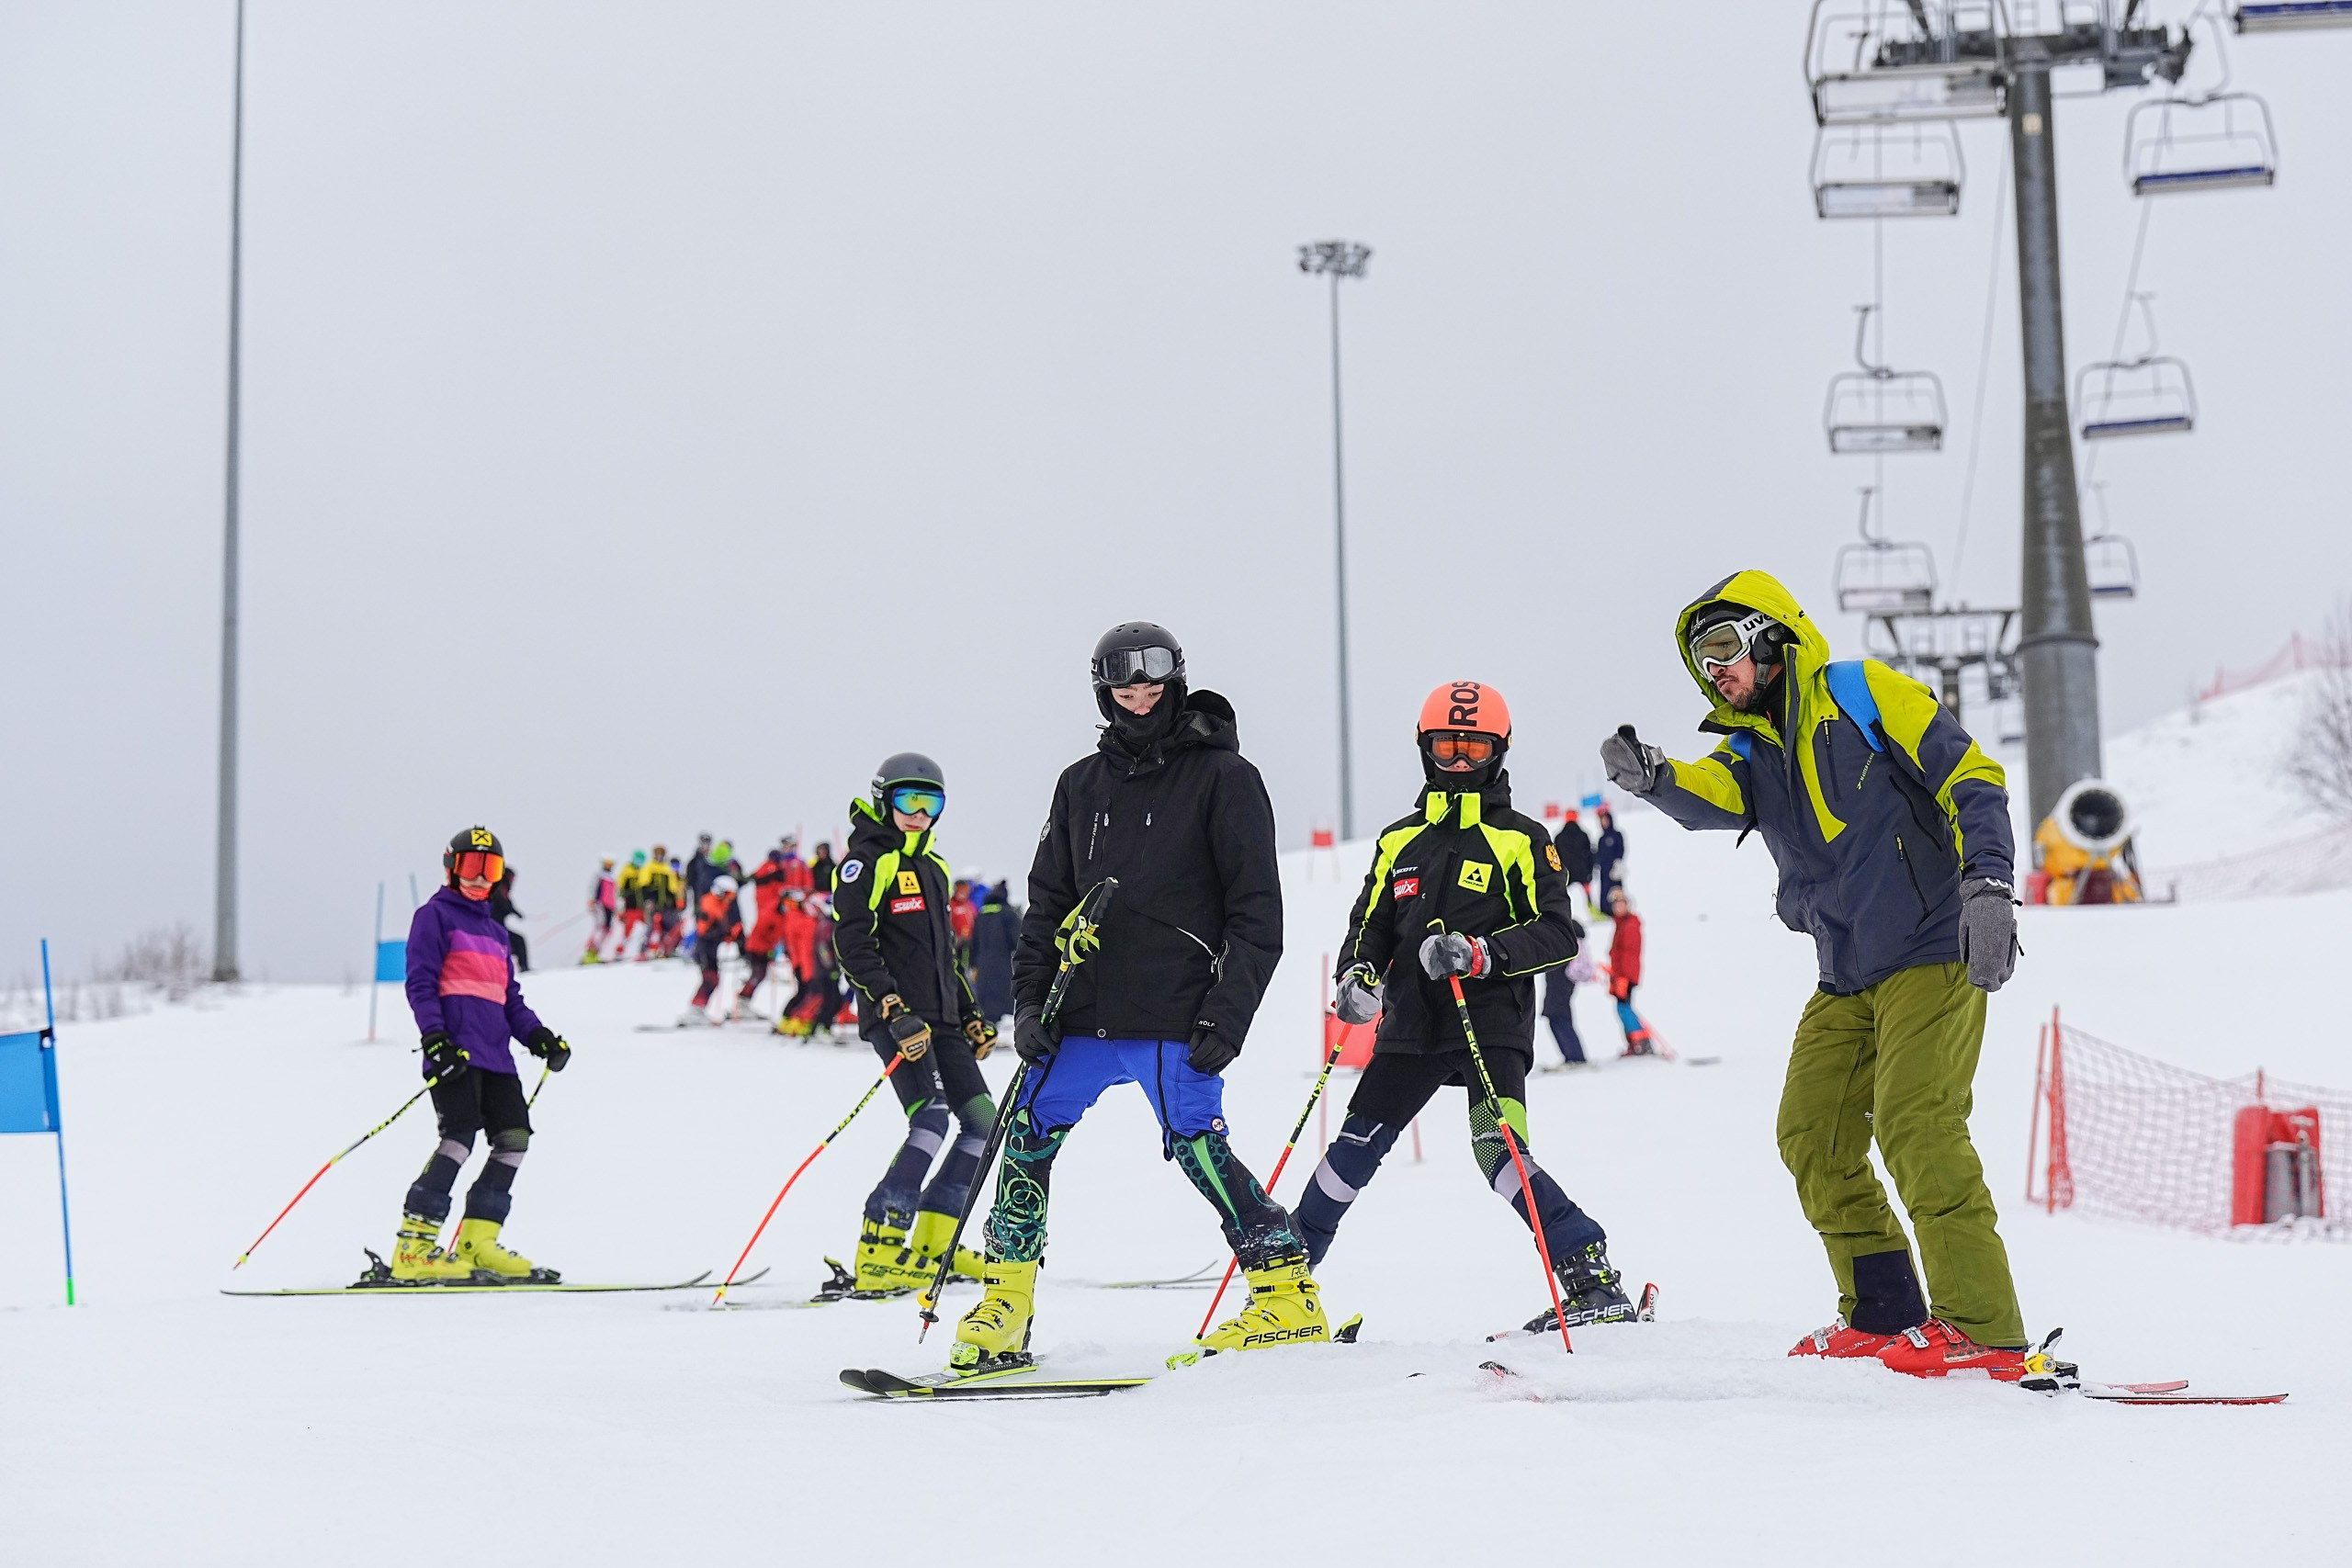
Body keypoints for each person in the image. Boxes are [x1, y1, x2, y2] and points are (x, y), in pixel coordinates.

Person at [1602, 570, 2035, 1381]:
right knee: (1813, 1130)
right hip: (1844, 969)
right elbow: (1709, 793)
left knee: (1917, 1122)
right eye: (1702, 660)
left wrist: (1987, 881)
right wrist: (1656, 774)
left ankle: (1986, 1329)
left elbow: (1969, 771)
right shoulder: (1752, 750)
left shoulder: (1861, 694)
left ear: (1774, 637)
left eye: (1726, 647)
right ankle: (1883, 1312)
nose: (1716, 669)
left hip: (1931, 943)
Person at [949, 622, 1311, 1374]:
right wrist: (1027, 1001)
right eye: (1123, 685)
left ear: (1175, 681)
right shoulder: (1079, 783)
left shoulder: (1224, 778)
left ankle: (1285, 1294)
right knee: (1024, 1135)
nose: (1138, 697)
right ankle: (1006, 1302)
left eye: (1151, 682)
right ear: (1103, 692)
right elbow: (1046, 903)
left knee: (1198, 1150)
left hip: (1176, 1013)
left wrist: (1228, 1011)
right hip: (1080, 1013)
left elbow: (1257, 914)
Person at [1298, 681, 1634, 1333]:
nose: (1458, 760)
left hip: (1490, 1025)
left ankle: (1591, 1279)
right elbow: (1368, 925)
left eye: (1473, 746)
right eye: (1446, 745)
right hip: (1411, 1028)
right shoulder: (1399, 841)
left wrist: (1481, 953)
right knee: (1353, 1150)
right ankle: (1284, 1280)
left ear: (1498, 751)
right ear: (1425, 749)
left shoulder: (1522, 838)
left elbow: (1558, 932)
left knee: (1499, 1151)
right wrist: (1357, 975)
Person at [831, 753, 998, 1294]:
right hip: (898, 1018)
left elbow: (947, 954)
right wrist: (893, 1008)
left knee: (981, 1123)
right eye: (908, 800)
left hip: (944, 1022)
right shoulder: (867, 861)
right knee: (931, 1117)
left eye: (932, 803)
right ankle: (879, 1246)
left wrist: (971, 1014)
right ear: (885, 800)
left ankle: (933, 1245)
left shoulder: (935, 868)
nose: (919, 813)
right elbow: (852, 943)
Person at [388, 827, 572, 1282]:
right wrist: (434, 1037)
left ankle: (478, 1242)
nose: (479, 879)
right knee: (459, 1136)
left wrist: (538, 1037)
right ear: (452, 868)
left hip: (496, 1057)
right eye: (471, 867)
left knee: (514, 1139)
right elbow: (421, 983)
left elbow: (509, 1000)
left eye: (488, 870)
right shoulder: (433, 917)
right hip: (455, 1051)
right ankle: (413, 1246)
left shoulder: (495, 931)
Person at [684, 874, 745, 1025]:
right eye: (728, 894)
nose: (730, 899)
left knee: (712, 979)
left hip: (711, 948)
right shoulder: (709, 904)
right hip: (704, 949)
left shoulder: (720, 905)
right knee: (710, 979)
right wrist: (722, 933)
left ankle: (698, 1009)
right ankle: (695, 1010)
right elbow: (704, 930)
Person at [1605, 887, 1653, 1056]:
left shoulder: (1630, 924)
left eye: (1621, 904)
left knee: (1624, 1008)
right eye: (1616, 905)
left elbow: (1628, 953)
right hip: (1621, 974)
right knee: (1623, 1008)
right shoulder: (1621, 923)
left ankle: (1642, 1041)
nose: (1618, 908)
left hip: (1626, 975)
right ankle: (1634, 1043)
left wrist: (1621, 976)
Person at [1539, 918, 1589, 1067]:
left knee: (1559, 1017)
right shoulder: (1565, 927)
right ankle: (1572, 1056)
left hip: (1561, 984)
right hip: (1559, 983)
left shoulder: (1565, 928)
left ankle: (1576, 1057)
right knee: (1557, 1017)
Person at [971, 879, 1020, 1027]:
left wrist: (973, 964)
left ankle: (987, 1024)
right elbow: (1017, 940)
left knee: (985, 997)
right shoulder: (1007, 914)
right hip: (1002, 963)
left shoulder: (981, 914)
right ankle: (1003, 1026)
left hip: (983, 964)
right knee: (1003, 996)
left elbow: (973, 942)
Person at [640, 846, 684, 959]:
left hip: (667, 905)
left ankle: (668, 950)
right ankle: (645, 950)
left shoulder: (667, 869)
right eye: (657, 854)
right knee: (652, 927)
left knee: (670, 927)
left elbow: (673, 889)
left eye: (662, 854)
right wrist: (647, 901)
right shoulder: (649, 868)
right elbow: (643, 886)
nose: (659, 856)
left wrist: (676, 903)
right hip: (653, 904)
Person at [1555, 807, 1596, 913]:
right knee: (1588, 894)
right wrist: (1590, 872)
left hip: (1566, 873)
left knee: (1561, 896)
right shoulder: (1583, 835)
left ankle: (1561, 913)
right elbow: (1590, 855)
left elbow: (1556, 858)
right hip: (1583, 872)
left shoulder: (1559, 837)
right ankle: (1591, 911)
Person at [489, 865, 527, 973]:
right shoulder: (497, 889)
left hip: (500, 928)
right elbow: (503, 904)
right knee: (516, 942)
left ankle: (523, 967)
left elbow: (509, 905)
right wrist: (513, 911)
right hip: (493, 929)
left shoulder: (503, 890)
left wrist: (517, 913)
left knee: (517, 941)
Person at [615, 850, 648, 960]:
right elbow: (619, 889)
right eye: (638, 860)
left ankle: (647, 950)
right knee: (628, 930)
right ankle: (619, 951)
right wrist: (620, 907)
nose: (640, 863)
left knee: (649, 928)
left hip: (642, 907)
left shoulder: (644, 872)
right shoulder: (626, 871)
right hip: (630, 907)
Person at [1593, 804, 1626, 912]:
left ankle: (1618, 911)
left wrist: (1618, 863)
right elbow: (1599, 854)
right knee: (1604, 892)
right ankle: (1605, 911)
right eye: (1602, 820)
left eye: (1606, 820)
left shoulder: (1617, 835)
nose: (1604, 822)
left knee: (1616, 892)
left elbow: (1620, 850)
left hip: (1614, 870)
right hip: (1604, 871)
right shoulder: (1602, 838)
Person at [583, 858, 617, 964]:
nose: (608, 866)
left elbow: (615, 893)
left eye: (610, 864)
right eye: (607, 864)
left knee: (607, 929)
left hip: (610, 907)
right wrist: (591, 900)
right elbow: (592, 888)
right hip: (600, 905)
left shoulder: (612, 878)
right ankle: (590, 952)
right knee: (600, 927)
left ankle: (599, 953)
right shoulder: (599, 875)